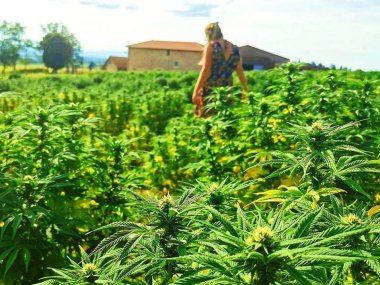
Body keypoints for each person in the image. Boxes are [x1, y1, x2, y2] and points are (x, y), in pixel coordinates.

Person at [192, 22, 248, 117]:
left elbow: (206, 70)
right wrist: (245, 89)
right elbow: (240, 71)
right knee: (224, 119)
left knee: (209, 122)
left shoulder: (210, 47)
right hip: (227, 90)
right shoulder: (234, 48)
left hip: (211, 90)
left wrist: (196, 91)